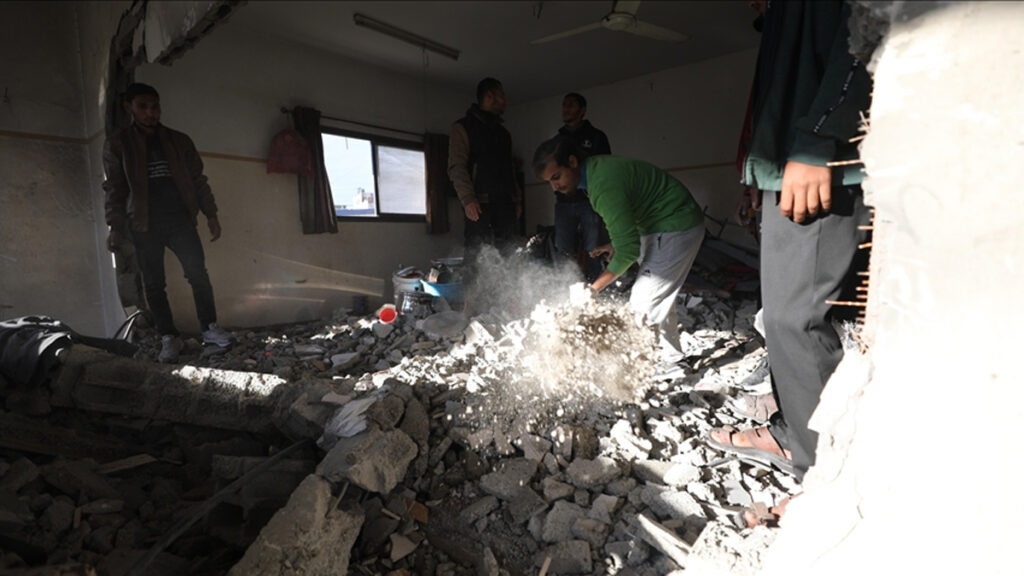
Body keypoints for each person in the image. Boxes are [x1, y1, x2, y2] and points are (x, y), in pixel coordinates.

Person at [707, 0, 874, 514]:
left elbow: (864, 40)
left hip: (819, 159)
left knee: (794, 319)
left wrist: (821, 139)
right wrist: (756, 173)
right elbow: (777, 92)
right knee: (783, 314)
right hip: (787, 163)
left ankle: (828, 479)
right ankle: (793, 431)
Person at [533, 136, 705, 367]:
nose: (555, 187)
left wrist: (592, 289)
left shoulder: (602, 186)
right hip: (659, 223)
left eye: (556, 177)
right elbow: (627, 217)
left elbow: (628, 252)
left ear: (572, 162)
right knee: (657, 297)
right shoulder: (595, 169)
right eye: (549, 182)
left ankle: (645, 369)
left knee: (643, 303)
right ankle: (672, 360)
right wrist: (616, 243)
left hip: (675, 224)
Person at [103, 83, 234, 363]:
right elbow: (115, 188)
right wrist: (114, 227)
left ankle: (210, 328)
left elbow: (198, 180)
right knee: (154, 284)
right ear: (129, 108)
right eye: (143, 107)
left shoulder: (179, 140)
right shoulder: (119, 143)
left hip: (180, 220)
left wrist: (211, 214)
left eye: (155, 107)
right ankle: (168, 336)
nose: (151, 113)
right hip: (143, 224)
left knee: (198, 275)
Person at [447, 77, 523, 262]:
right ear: (489, 96)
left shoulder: (503, 133)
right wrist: (468, 199)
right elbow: (457, 166)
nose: (505, 100)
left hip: (506, 203)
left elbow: (510, 169)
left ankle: (510, 283)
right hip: (479, 204)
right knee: (476, 254)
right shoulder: (462, 127)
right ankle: (473, 284)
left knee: (509, 253)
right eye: (502, 95)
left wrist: (516, 199)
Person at [554, 92, 612, 283]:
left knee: (593, 249)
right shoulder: (558, 140)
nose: (565, 109)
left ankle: (597, 290)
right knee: (563, 249)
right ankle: (565, 289)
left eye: (571, 105)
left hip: (590, 200)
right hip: (563, 201)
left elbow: (605, 169)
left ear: (582, 110)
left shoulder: (596, 136)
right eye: (564, 105)